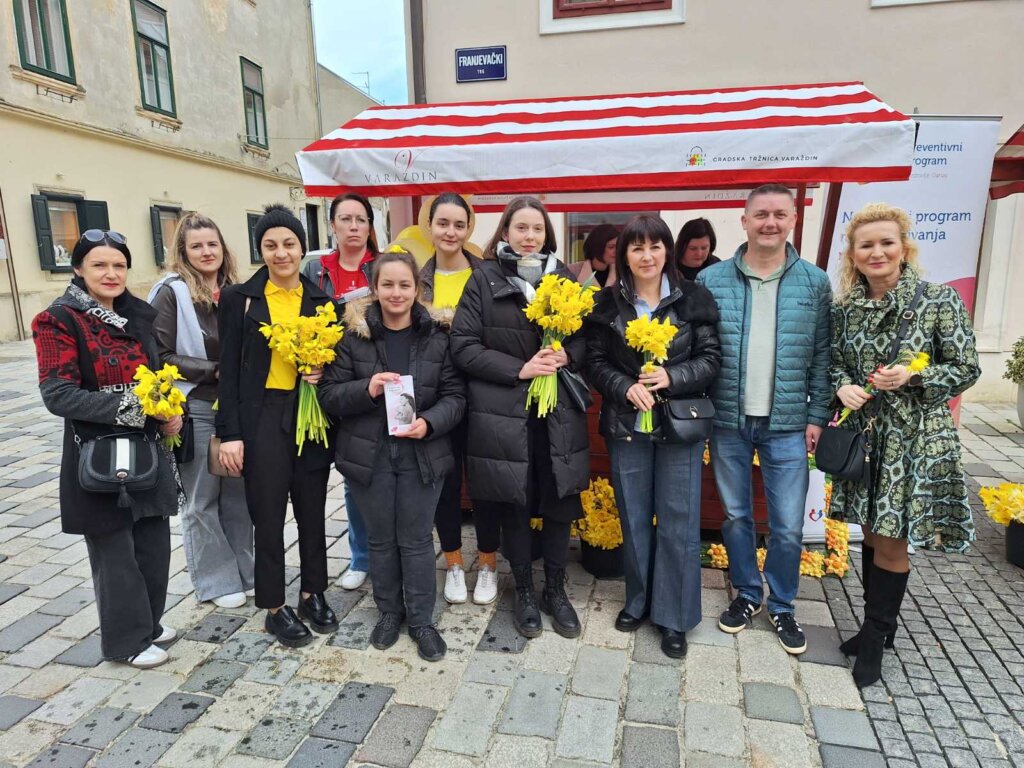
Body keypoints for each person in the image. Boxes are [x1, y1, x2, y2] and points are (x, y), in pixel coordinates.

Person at [829, 203, 979, 688]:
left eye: (886, 243)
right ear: (853, 254)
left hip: (913, 440)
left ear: (903, 247)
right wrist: (842, 387)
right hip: (869, 438)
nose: (877, 253)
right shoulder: (846, 309)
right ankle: (882, 628)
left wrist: (915, 374)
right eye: (866, 245)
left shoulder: (938, 301)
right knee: (872, 532)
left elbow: (966, 367)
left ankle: (873, 640)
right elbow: (834, 364)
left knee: (891, 538)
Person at [32, 230, 182, 668]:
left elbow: (157, 377)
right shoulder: (58, 319)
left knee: (152, 543)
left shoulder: (137, 314)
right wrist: (139, 406)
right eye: (99, 265)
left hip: (148, 448)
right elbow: (58, 394)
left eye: (118, 265)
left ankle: (148, 624)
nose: (111, 273)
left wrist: (169, 411)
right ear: (78, 269)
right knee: (115, 549)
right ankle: (125, 641)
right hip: (98, 452)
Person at [697, 184, 832, 655]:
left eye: (779, 214)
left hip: (789, 423)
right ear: (745, 220)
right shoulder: (712, 280)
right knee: (735, 516)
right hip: (729, 421)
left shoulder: (814, 283)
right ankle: (748, 595)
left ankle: (784, 604)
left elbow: (822, 357)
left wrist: (818, 415)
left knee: (788, 524)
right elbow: (700, 350)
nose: (769, 222)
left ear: (793, 219)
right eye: (761, 214)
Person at [451, 196, 590, 640]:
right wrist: (520, 369)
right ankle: (524, 591)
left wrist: (570, 352)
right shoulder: (484, 278)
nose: (530, 237)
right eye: (521, 229)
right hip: (505, 412)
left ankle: (555, 587)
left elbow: (589, 341)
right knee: (514, 500)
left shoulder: (565, 279)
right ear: (505, 232)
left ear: (547, 233)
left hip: (557, 414)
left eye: (537, 229)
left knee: (558, 499)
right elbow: (464, 346)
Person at [319, 249, 465, 661]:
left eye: (405, 285)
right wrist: (366, 389)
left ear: (417, 289)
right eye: (388, 285)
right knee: (381, 540)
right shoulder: (353, 336)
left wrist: (431, 423)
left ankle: (421, 620)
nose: (396, 293)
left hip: (423, 452)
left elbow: (456, 397)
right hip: (371, 455)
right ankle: (389, 612)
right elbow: (329, 394)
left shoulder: (439, 336)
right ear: (375, 288)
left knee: (417, 539)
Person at [586, 215, 721, 659]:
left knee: (679, 521)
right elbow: (595, 361)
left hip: (680, 425)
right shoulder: (607, 304)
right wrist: (624, 386)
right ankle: (639, 600)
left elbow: (711, 359)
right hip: (628, 426)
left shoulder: (693, 298)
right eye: (637, 247)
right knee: (634, 516)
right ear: (624, 255)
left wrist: (672, 375)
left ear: (668, 251)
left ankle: (674, 616)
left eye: (655, 246)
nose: (647, 255)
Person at [216, 204, 338, 648]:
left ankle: (312, 591)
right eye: (271, 245)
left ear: (302, 247)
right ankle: (272, 605)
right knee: (267, 513)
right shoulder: (239, 298)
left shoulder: (321, 300)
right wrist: (229, 433)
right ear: (260, 249)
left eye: (289, 243)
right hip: (261, 415)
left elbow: (335, 361)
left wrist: (322, 372)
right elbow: (226, 370)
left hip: (308, 412)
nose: (281, 253)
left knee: (311, 507)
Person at [149, 213, 254, 609]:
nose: (206, 252)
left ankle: (246, 572)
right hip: (197, 404)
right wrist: (214, 369)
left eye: (212, 244)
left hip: (235, 405)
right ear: (183, 252)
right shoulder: (171, 292)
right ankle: (215, 580)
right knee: (201, 499)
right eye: (197, 246)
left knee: (238, 495)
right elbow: (159, 354)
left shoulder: (235, 290)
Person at [420, 192, 500, 606]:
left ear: (469, 228)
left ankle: (487, 561)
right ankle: (452, 559)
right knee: (445, 481)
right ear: (429, 226)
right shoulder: (417, 280)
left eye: (458, 224)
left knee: (485, 481)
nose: (450, 231)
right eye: (442, 223)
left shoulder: (486, 275)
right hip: (435, 398)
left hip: (484, 393)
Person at [302, 192, 378, 591]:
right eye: (345, 219)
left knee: (362, 472)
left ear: (369, 226)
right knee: (344, 475)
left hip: (365, 383)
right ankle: (359, 556)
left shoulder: (380, 268)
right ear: (332, 224)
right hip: (320, 383)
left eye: (360, 219)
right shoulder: (315, 271)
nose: (353, 226)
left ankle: (371, 554)